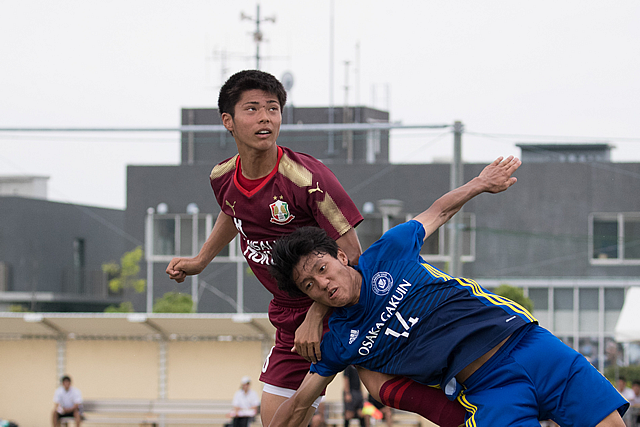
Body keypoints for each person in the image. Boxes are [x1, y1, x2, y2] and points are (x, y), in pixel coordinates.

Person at [166, 69, 465, 427]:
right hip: (288, 315)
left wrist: (316, 315)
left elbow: (352, 257)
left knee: (380, 385)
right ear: (227, 121)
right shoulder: (222, 177)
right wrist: (200, 261)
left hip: (341, 305)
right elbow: (232, 212)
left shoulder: (308, 179)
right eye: (252, 109)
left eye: (273, 108)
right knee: (276, 420)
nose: (265, 117)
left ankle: (482, 414)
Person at [268, 156, 630, 427]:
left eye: (321, 269)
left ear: (340, 256)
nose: (324, 284)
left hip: (531, 345)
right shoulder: (340, 341)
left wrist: (481, 182)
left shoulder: (388, 251)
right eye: (310, 286)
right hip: (487, 388)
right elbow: (301, 403)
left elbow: (437, 212)